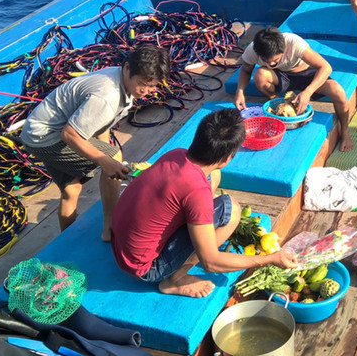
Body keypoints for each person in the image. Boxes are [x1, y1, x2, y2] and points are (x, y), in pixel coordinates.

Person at [110, 109, 298, 298]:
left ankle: (190, 243)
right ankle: (175, 278)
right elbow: (210, 263)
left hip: (120, 247)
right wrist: (271, 258)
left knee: (213, 175)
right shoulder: (196, 192)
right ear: (226, 159)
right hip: (147, 268)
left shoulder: (176, 154)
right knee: (231, 210)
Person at [20, 44, 171, 240]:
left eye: (153, 85)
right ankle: (111, 226)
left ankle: (66, 241)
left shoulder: (119, 79)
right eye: (143, 83)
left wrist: (106, 151)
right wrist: (104, 159)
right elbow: (70, 135)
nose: (147, 91)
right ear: (127, 68)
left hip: (37, 132)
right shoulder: (107, 95)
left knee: (71, 189)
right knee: (112, 156)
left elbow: (101, 122)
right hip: (46, 136)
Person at [234, 27, 355, 152]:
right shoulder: (253, 49)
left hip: (307, 74)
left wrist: (308, 92)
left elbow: (326, 67)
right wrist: (240, 91)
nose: (271, 64)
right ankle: (276, 100)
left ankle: (345, 132)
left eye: (275, 60)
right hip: (281, 76)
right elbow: (245, 70)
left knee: (338, 92)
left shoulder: (294, 42)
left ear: (283, 49)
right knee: (260, 75)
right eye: (266, 61)